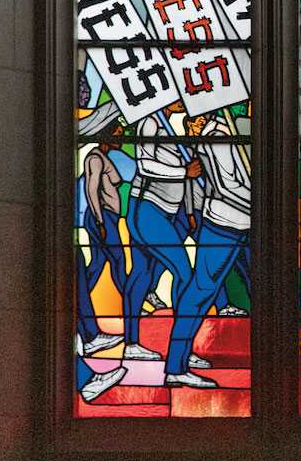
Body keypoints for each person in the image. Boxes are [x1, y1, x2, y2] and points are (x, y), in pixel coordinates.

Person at [117, 110, 217, 387]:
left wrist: (190, 211)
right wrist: (183, 171)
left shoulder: (170, 127)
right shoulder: (150, 122)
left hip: (166, 213)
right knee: (184, 274)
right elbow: (145, 165)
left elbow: (187, 182)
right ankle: (179, 355)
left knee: (142, 276)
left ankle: (133, 343)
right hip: (147, 209)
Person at [154, 114, 253, 389]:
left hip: (234, 222)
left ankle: (178, 364)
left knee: (203, 292)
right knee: (199, 293)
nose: (191, 126)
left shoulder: (223, 131)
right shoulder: (218, 136)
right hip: (226, 222)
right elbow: (225, 186)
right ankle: (176, 365)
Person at [74, 145, 131, 357]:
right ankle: (130, 304)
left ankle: (79, 301)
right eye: (116, 133)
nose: (120, 139)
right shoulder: (95, 158)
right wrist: (100, 221)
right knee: (118, 260)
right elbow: (92, 188)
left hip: (106, 217)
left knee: (98, 264)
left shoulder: (101, 157)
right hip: (102, 217)